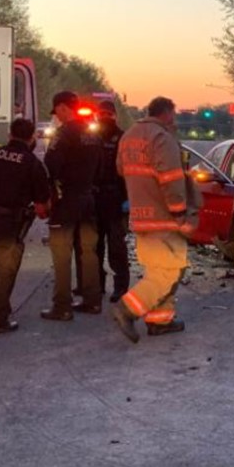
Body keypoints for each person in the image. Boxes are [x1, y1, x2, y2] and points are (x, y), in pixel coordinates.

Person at [110, 96, 200, 342]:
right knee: (168, 273)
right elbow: (171, 179)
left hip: (141, 216)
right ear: (167, 113)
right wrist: (180, 212)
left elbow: (120, 169)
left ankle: (160, 320)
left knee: (158, 270)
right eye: (174, 114)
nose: (176, 119)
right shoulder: (162, 138)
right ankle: (127, 309)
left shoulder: (129, 136)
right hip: (164, 218)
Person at [0, 119, 50, 333]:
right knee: (5, 273)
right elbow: (42, 207)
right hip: (9, 226)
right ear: (32, 137)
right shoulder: (33, 164)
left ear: (9, 134)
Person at [42, 91, 103, 321]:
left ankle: (62, 306)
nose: (56, 116)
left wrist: (47, 195)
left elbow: (50, 166)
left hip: (66, 199)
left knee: (62, 253)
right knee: (89, 252)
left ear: (64, 108)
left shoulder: (64, 133)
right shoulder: (92, 133)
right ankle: (92, 301)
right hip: (88, 199)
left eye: (57, 111)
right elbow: (100, 167)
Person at [93, 100, 129, 302]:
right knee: (94, 247)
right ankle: (96, 284)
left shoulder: (123, 138)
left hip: (117, 199)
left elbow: (128, 172)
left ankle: (121, 287)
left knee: (117, 247)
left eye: (109, 114)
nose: (105, 117)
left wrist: (127, 200)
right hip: (96, 199)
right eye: (102, 113)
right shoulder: (91, 137)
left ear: (115, 116)